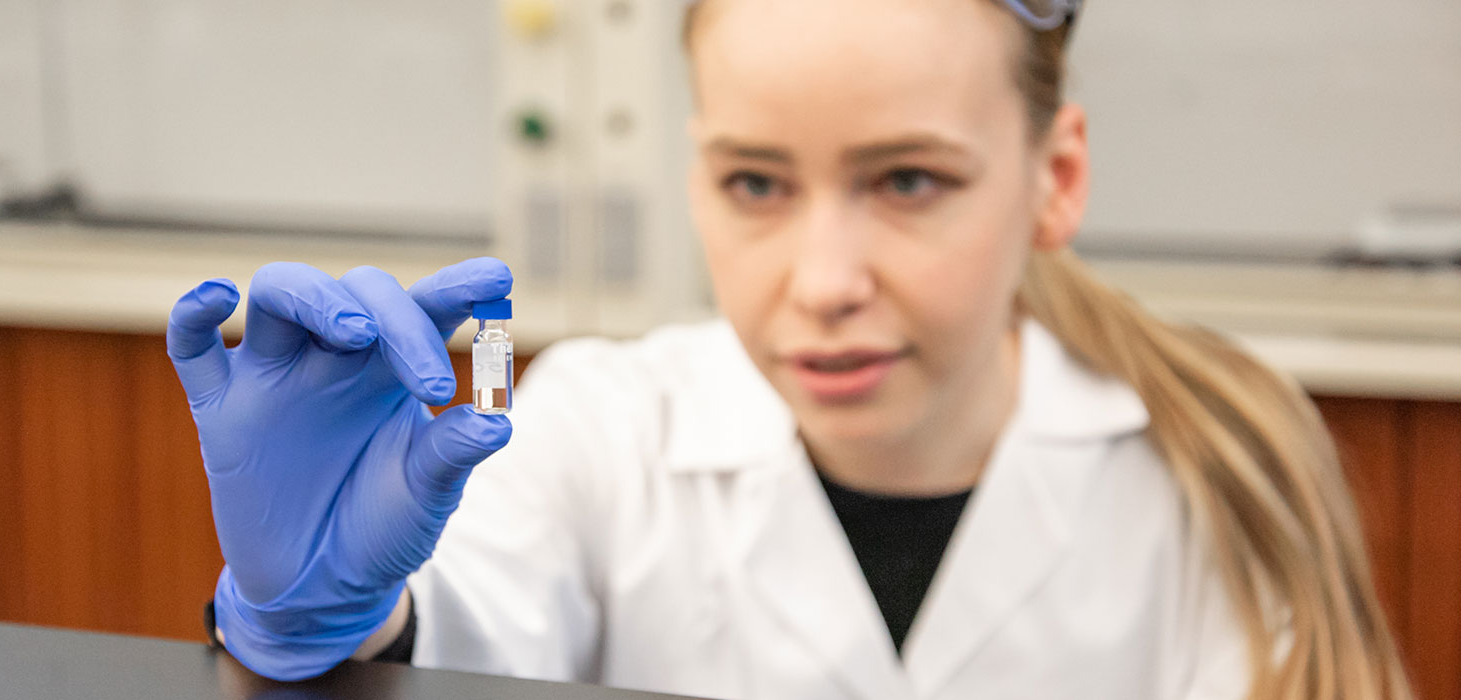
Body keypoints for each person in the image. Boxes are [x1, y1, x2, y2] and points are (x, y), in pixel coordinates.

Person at [164, 0, 1411, 697]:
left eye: (909, 179)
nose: (820, 284)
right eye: (756, 181)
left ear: (1056, 175)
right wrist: (327, 636)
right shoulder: (601, 430)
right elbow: (464, 641)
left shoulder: (1210, 475)